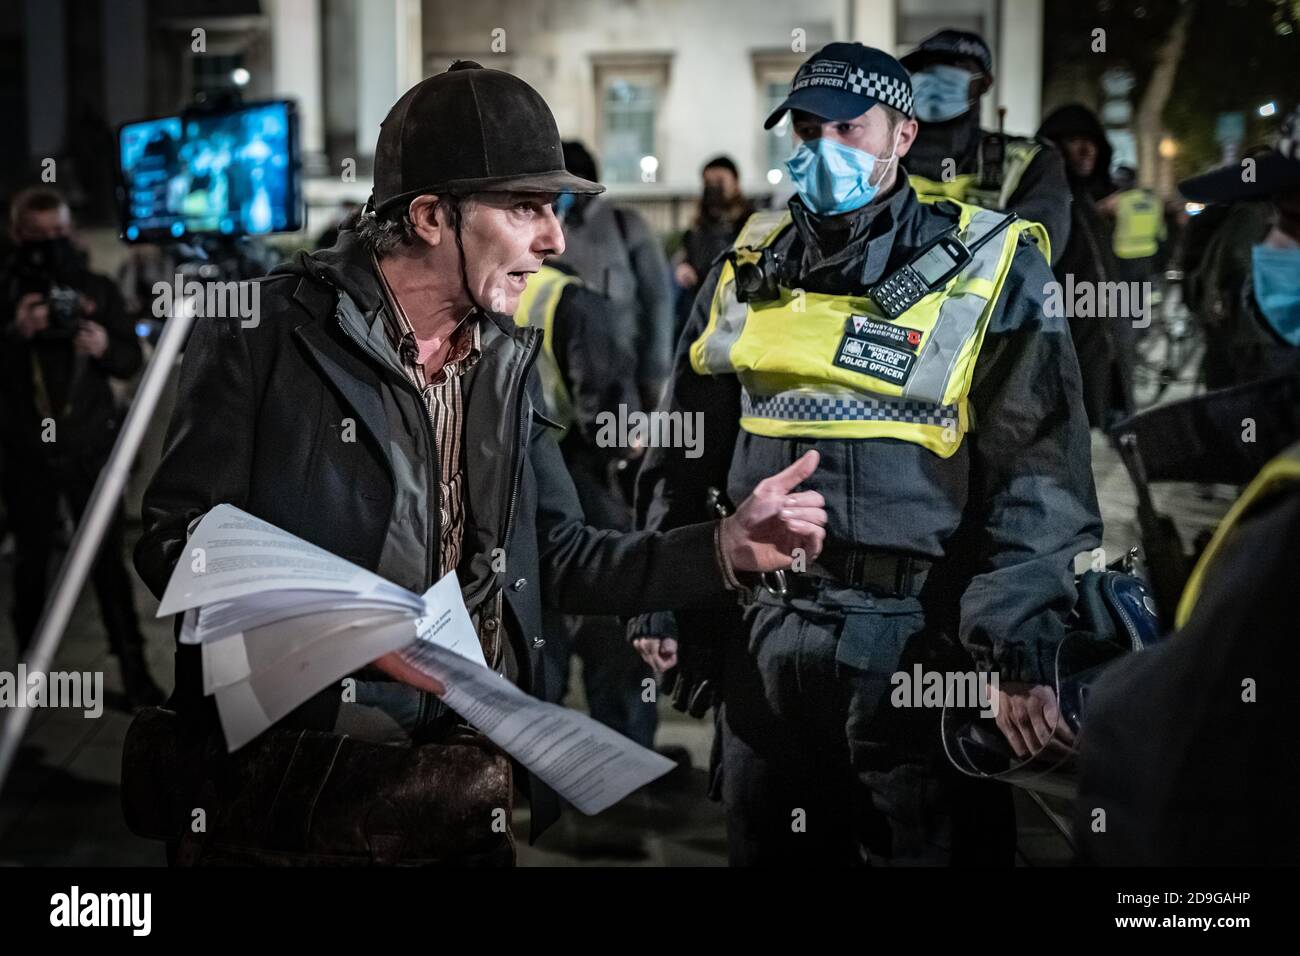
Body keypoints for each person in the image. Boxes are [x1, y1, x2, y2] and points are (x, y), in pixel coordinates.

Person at [132, 60, 826, 848]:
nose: (555, 239)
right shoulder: (263, 330)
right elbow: (173, 541)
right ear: (431, 216)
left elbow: (558, 554)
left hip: (460, 775)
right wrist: (350, 626)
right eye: (527, 207)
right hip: (298, 778)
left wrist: (723, 549)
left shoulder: (500, 360)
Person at [629, 42, 1101, 865]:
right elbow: (684, 451)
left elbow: (1038, 472)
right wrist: (667, 592)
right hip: (769, 633)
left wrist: (1019, 650)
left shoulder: (990, 268)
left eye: (851, 128)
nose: (826, 151)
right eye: (808, 130)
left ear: (903, 136)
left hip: (920, 641)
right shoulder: (745, 264)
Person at [0, 187, 163, 708]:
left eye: (59, 234)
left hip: (90, 449)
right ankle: (30, 678)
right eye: (36, 237)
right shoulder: (6, 290)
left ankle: (135, 674)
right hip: (26, 454)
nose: (51, 246)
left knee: (108, 567)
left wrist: (102, 345)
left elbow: (128, 362)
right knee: (31, 567)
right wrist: (15, 333)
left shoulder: (94, 288)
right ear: (15, 236)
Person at [512, 261, 658, 747]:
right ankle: (619, 759)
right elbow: (608, 418)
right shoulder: (571, 300)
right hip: (581, 485)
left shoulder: (483, 287)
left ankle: (537, 767)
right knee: (609, 634)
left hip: (509, 492)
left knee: (535, 636)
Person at [902, 29, 1071, 263]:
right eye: (924, 67)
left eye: (953, 64)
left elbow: (1035, 247)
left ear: (984, 82)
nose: (934, 75)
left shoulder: (1031, 162)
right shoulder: (879, 156)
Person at [553, 141, 674, 412]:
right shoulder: (551, 230)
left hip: (622, 384)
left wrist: (654, 375)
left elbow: (658, 301)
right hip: (564, 384)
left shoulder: (625, 224)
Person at [1038, 104, 1134, 429]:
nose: (1086, 150)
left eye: (1092, 141)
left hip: (1102, 350)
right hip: (1063, 353)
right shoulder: (1048, 204)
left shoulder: (1089, 205)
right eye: (1074, 140)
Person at [673, 156, 754, 339]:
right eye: (708, 182)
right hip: (701, 310)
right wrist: (683, 267)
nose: (713, 187)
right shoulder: (697, 227)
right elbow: (686, 257)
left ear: (735, 183)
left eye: (720, 181)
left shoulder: (750, 223)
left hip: (738, 313)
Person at [1102, 165, 1167, 285]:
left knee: (1125, 293)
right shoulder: (1153, 200)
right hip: (1148, 251)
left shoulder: (1118, 200)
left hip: (1124, 254)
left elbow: (1096, 212)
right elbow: (1161, 231)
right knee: (1141, 291)